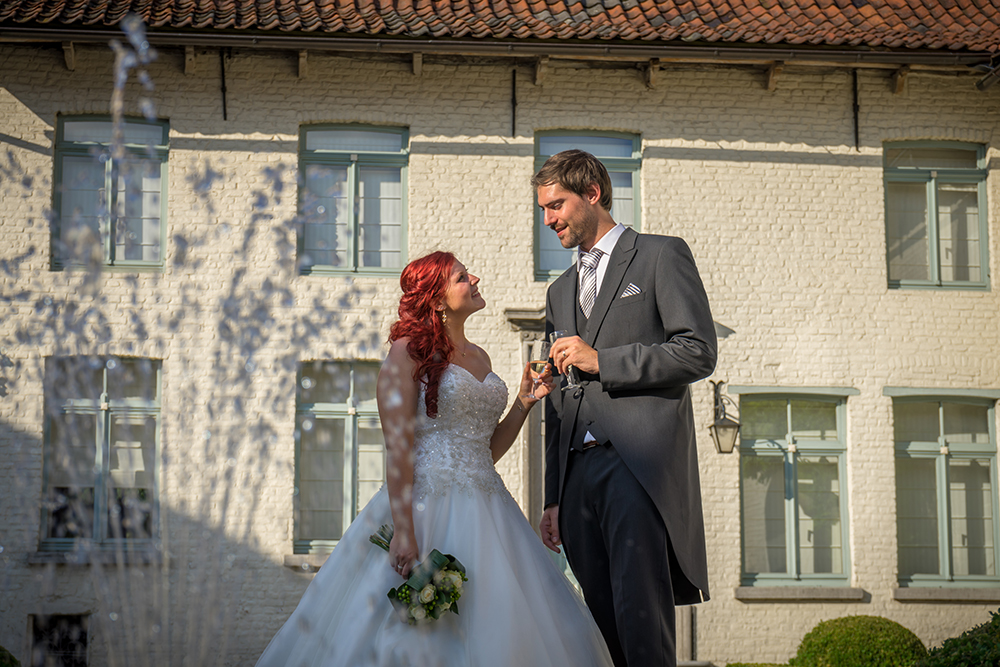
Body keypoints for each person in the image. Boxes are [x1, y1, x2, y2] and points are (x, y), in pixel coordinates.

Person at [255, 251, 614, 667]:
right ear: (438, 299)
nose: (475, 278)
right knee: (416, 635)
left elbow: (485, 452)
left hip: (490, 507)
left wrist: (523, 402)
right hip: (424, 508)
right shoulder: (406, 354)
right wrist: (405, 532)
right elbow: (398, 448)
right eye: (463, 277)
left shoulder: (481, 357)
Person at [534, 150, 718, 667]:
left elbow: (697, 350)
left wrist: (602, 360)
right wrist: (553, 495)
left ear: (592, 193)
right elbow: (560, 401)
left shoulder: (661, 255)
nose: (548, 220)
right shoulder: (559, 291)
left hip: (637, 467)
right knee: (598, 630)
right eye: (543, 209)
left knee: (643, 627)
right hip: (578, 480)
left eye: (556, 205)